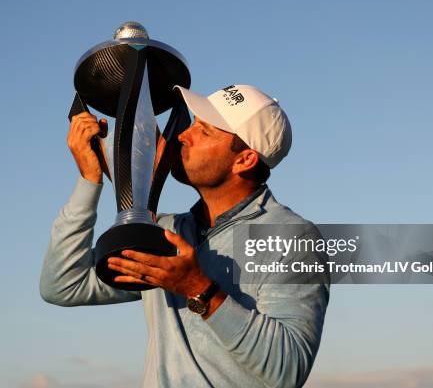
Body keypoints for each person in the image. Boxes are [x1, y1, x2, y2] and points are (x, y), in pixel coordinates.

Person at [40, 84, 330, 388]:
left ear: (244, 160)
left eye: (204, 131)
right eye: (192, 123)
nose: (182, 135)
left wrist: (198, 288)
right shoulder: (166, 232)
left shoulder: (294, 238)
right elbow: (62, 285)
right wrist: (89, 180)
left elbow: (287, 370)